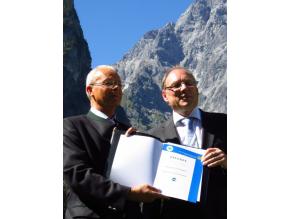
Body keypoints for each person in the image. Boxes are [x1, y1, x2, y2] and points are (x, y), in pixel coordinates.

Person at [63, 65, 164, 219]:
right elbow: (77, 174)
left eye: (119, 83)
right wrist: (128, 193)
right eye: (109, 83)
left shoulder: (130, 133)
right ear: (90, 91)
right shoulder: (71, 126)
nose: (116, 87)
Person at [144, 66, 227, 219]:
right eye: (176, 85)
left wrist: (227, 161)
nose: (184, 88)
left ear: (197, 89)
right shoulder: (152, 137)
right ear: (164, 95)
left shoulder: (225, 123)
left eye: (189, 83)